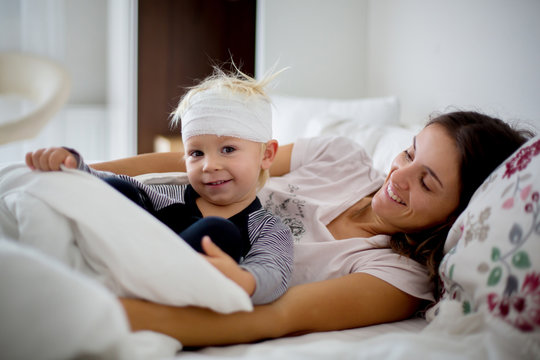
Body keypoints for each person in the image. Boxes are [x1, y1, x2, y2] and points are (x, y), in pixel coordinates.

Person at [84, 110, 533, 347]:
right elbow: (190, 161)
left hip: (162, 271)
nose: (399, 176)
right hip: (138, 211)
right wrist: (84, 169)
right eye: (409, 153)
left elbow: (278, 316)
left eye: (427, 182)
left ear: (456, 216)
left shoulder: (397, 277)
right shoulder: (340, 156)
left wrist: (111, 315)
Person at [25, 67, 294, 305]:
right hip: (124, 263)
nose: (209, 165)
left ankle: (135, 293)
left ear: (267, 155)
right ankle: (106, 277)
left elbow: (273, 272)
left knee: (218, 233)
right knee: (122, 189)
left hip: (176, 294)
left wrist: (243, 280)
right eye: (196, 154)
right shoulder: (171, 194)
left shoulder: (267, 228)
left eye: (228, 149)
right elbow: (111, 186)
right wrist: (73, 164)